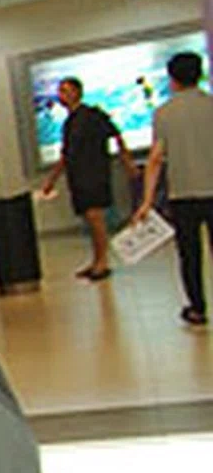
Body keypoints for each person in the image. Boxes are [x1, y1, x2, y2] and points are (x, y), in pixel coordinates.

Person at [134, 51, 213, 328]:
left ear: (172, 79)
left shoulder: (163, 113)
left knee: (189, 255)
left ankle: (197, 308)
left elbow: (155, 158)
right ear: (200, 74)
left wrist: (146, 201)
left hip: (183, 195)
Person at [39, 76, 132, 281]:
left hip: (94, 174)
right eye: (60, 91)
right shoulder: (70, 122)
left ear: (77, 92)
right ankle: (97, 260)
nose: (61, 95)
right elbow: (66, 154)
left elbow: (116, 135)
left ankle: (102, 262)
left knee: (95, 218)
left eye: (66, 91)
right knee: (90, 220)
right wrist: (53, 179)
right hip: (79, 176)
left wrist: (127, 162)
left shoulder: (92, 116)